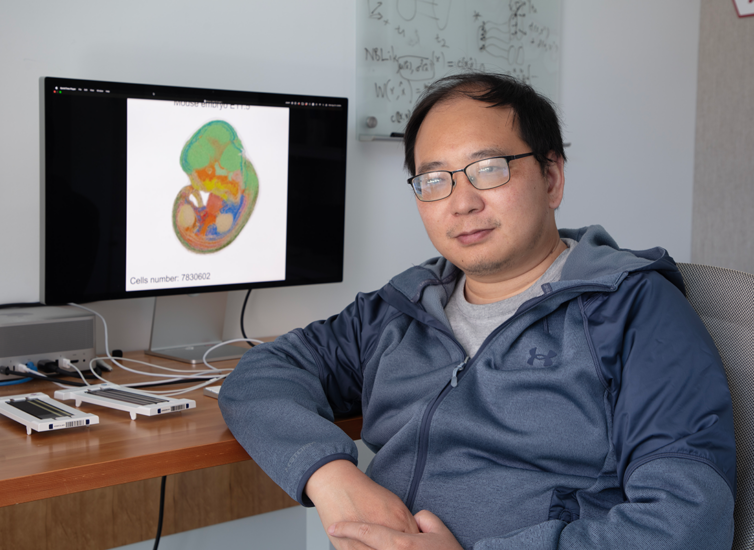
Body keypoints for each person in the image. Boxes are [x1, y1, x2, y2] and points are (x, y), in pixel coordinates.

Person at [219, 72, 736, 550]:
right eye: (434, 180)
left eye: (488, 170)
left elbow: (687, 520)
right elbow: (263, 374)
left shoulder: (630, 310)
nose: (461, 203)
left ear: (551, 177)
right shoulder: (399, 310)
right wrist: (331, 475)